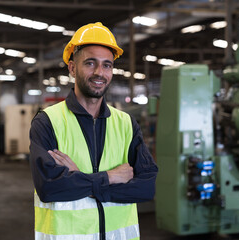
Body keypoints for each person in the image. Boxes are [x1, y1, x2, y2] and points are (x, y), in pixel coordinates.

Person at [29, 22, 158, 240]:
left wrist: (81, 180)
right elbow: (50, 188)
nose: (99, 72)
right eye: (90, 63)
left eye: (107, 65)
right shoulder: (48, 122)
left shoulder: (126, 124)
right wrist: (111, 177)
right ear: (72, 68)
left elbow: (146, 188)